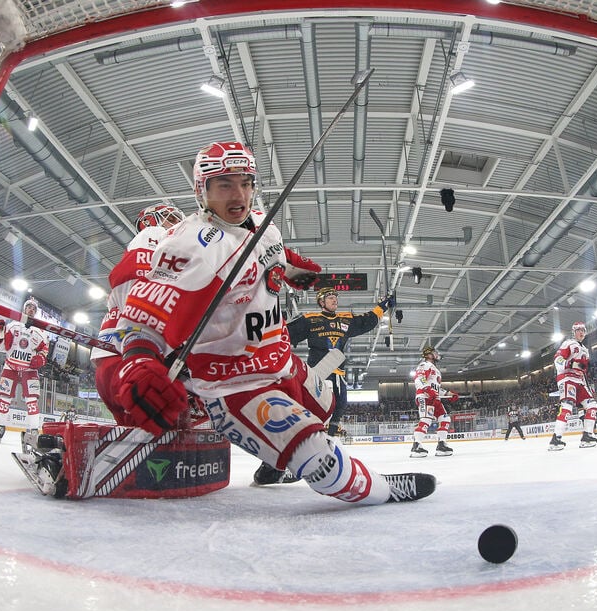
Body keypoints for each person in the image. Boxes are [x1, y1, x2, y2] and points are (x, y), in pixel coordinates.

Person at [113, 140, 435, 504]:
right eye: (225, 184)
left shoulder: (263, 223)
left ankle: (272, 464)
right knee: (318, 458)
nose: (240, 195)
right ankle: (381, 490)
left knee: (327, 406)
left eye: (247, 182)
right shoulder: (188, 246)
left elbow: (276, 255)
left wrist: (297, 271)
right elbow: (144, 315)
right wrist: (139, 364)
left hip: (282, 362)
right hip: (234, 384)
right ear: (201, 190)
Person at [91, 202, 186, 426]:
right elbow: (133, 279)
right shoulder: (155, 234)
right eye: (170, 218)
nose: (177, 223)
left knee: (134, 432)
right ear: (148, 221)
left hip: (114, 359)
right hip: (131, 358)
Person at [288, 286, 395, 437]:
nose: (334, 299)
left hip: (337, 369)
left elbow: (366, 320)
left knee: (341, 403)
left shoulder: (346, 319)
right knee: (316, 405)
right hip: (319, 370)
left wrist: (382, 307)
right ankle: (306, 433)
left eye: (335, 297)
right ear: (321, 302)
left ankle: (329, 435)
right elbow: (287, 333)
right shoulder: (310, 319)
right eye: (330, 297)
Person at [0, 298, 49, 443]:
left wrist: (41, 359)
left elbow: (44, 350)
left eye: (33, 308)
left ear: (35, 312)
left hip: (29, 370)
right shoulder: (13, 326)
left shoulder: (40, 332)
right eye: (28, 307)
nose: (31, 309)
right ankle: (1, 426)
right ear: (24, 309)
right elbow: (2, 348)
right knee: (5, 399)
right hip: (10, 365)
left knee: (32, 402)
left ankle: (34, 430)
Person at [549, 321, 597, 450]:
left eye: (583, 330)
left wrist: (586, 385)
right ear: (574, 332)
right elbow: (557, 359)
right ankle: (556, 439)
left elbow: (583, 369)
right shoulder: (568, 343)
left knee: (592, 405)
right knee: (567, 407)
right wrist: (568, 364)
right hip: (567, 378)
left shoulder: (585, 351)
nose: (581, 332)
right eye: (578, 330)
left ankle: (587, 435)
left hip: (579, 380)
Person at [410, 346, 458, 457]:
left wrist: (449, 394)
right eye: (434, 353)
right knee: (426, 420)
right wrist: (426, 389)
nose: (437, 354)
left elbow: (436, 388)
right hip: (425, 397)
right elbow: (419, 378)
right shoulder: (425, 365)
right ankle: (416, 446)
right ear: (429, 355)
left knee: (445, 418)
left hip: (434, 398)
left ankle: (441, 444)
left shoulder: (435, 369)